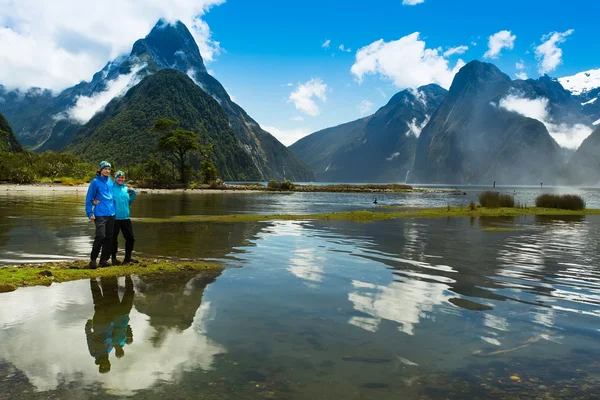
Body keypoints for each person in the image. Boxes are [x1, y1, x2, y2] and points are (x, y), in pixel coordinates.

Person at [86, 161, 115, 269]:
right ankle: (93, 260)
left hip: (111, 213)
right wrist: (90, 213)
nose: (107, 171)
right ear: (101, 170)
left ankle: (104, 260)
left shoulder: (111, 182)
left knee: (109, 237)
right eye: (105, 169)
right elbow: (89, 198)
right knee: (100, 236)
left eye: (109, 169)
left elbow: (114, 194)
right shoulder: (95, 182)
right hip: (100, 214)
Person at [111, 170, 138, 264]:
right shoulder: (111, 188)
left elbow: (129, 202)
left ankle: (127, 258)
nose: (120, 179)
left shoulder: (126, 189)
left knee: (130, 238)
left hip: (126, 218)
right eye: (119, 177)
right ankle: (113, 258)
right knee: (113, 239)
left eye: (122, 177)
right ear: (115, 178)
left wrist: (133, 193)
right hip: (114, 218)